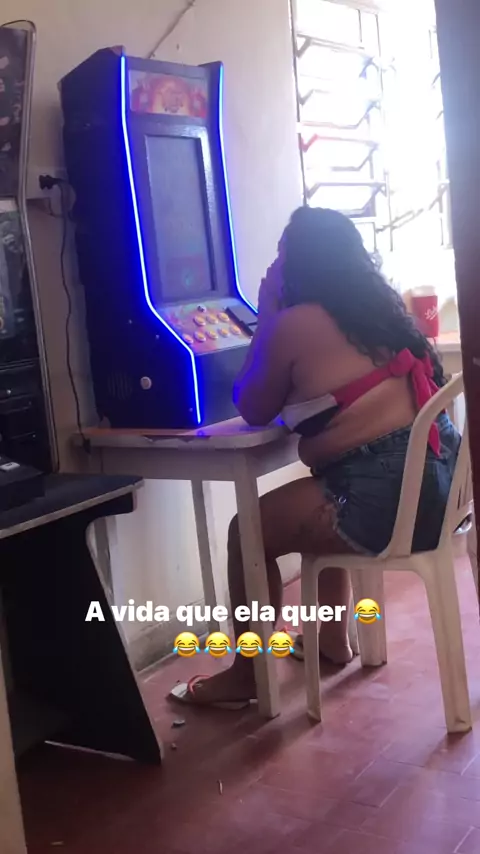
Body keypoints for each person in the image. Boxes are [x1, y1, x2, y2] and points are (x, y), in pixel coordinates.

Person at [172, 206, 460, 708]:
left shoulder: (293, 324)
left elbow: (253, 406)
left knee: (247, 531)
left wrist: (267, 311)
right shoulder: (380, 312)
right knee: (323, 486)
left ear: (296, 264)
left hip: (383, 497)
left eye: (281, 256)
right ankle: (331, 640)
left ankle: (246, 675)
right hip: (442, 490)